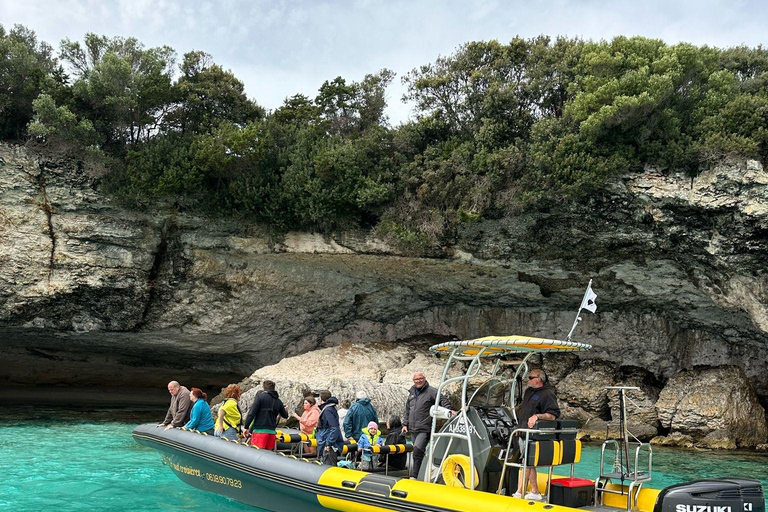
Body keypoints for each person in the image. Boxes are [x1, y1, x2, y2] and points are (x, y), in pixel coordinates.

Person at [512, 369, 560, 500]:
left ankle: (519, 491)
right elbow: (524, 410)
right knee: (529, 462)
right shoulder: (528, 392)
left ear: (539, 379)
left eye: (531, 377)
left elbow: (553, 415)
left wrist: (537, 416)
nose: (528, 379)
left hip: (534, 435)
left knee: (526, 461)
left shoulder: (548, 394)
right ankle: (535, 491)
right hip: (523, 431)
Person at [402, 371, 451, 479]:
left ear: (424, 379)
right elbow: (407, 410)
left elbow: (443, 400)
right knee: (418, 451)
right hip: (413, 429)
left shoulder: (431, 391)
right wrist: (405, 424)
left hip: (425, 428)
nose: (418, 381)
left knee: (417, 451)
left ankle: (414, 476)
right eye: (416, 379)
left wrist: (448, 412)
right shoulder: (412, 393)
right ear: (413, 381)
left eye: (420, 378)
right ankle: (423, 473)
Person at [242, 380, 289, 449]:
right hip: (272, 432)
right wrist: (286, 411)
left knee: (257, 453)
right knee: (267, 454)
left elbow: (251, 413)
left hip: (260, 431)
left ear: (264, 387)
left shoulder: (260, 397)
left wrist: (246, 427)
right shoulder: (278, 401)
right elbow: (285, 416)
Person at [315, 390, 344, 465]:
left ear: (322, 400)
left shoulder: (327, 410)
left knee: (328, 464)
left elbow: (334, 427)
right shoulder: (330, 408)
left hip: (327, 444)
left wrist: (328, 443)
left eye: (319, 399)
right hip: (326, 440)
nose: (318, 400)